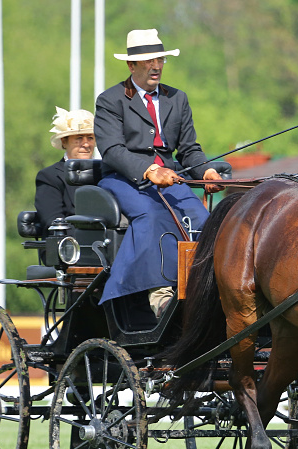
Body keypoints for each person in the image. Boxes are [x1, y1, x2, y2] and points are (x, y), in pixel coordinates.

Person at [94, 29, 222, 317]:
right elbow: (112, 150)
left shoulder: (177, 99)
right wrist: (149, 170)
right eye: (149, 60)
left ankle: (203, 291)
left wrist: (207, 171)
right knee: (152, 216)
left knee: (202, 219)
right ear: (132, 65)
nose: (157, 65)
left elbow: (189, 149)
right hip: (124, 178)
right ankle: (160, 296)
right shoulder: (110, 101)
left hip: (168, 178)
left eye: (160, 59)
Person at [34, 107, 96, 236]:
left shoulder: (106, 173)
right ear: (64, 141)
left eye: (90, 138)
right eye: (79, 138)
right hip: (71, 250)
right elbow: (53, 222)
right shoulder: (49, 177)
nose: (85, 144)